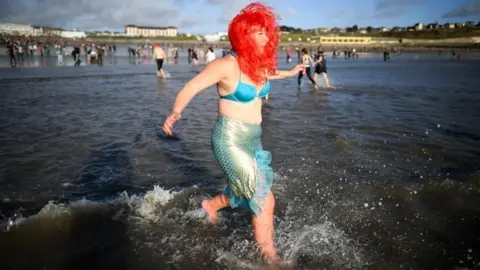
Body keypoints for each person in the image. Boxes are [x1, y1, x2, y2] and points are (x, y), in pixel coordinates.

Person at [162, 2, 304, 263]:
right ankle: (270, 257)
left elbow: (271, 75)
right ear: (245, 34)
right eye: (260, 31)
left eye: (267, 31)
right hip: (229, 139)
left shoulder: (258, 65)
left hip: (252, 138)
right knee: (264, 197)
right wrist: (176, 111)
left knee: (245, 189)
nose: (267, 36)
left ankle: (212, 204)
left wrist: (291, 72)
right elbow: (191, 86)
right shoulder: (226, 65)